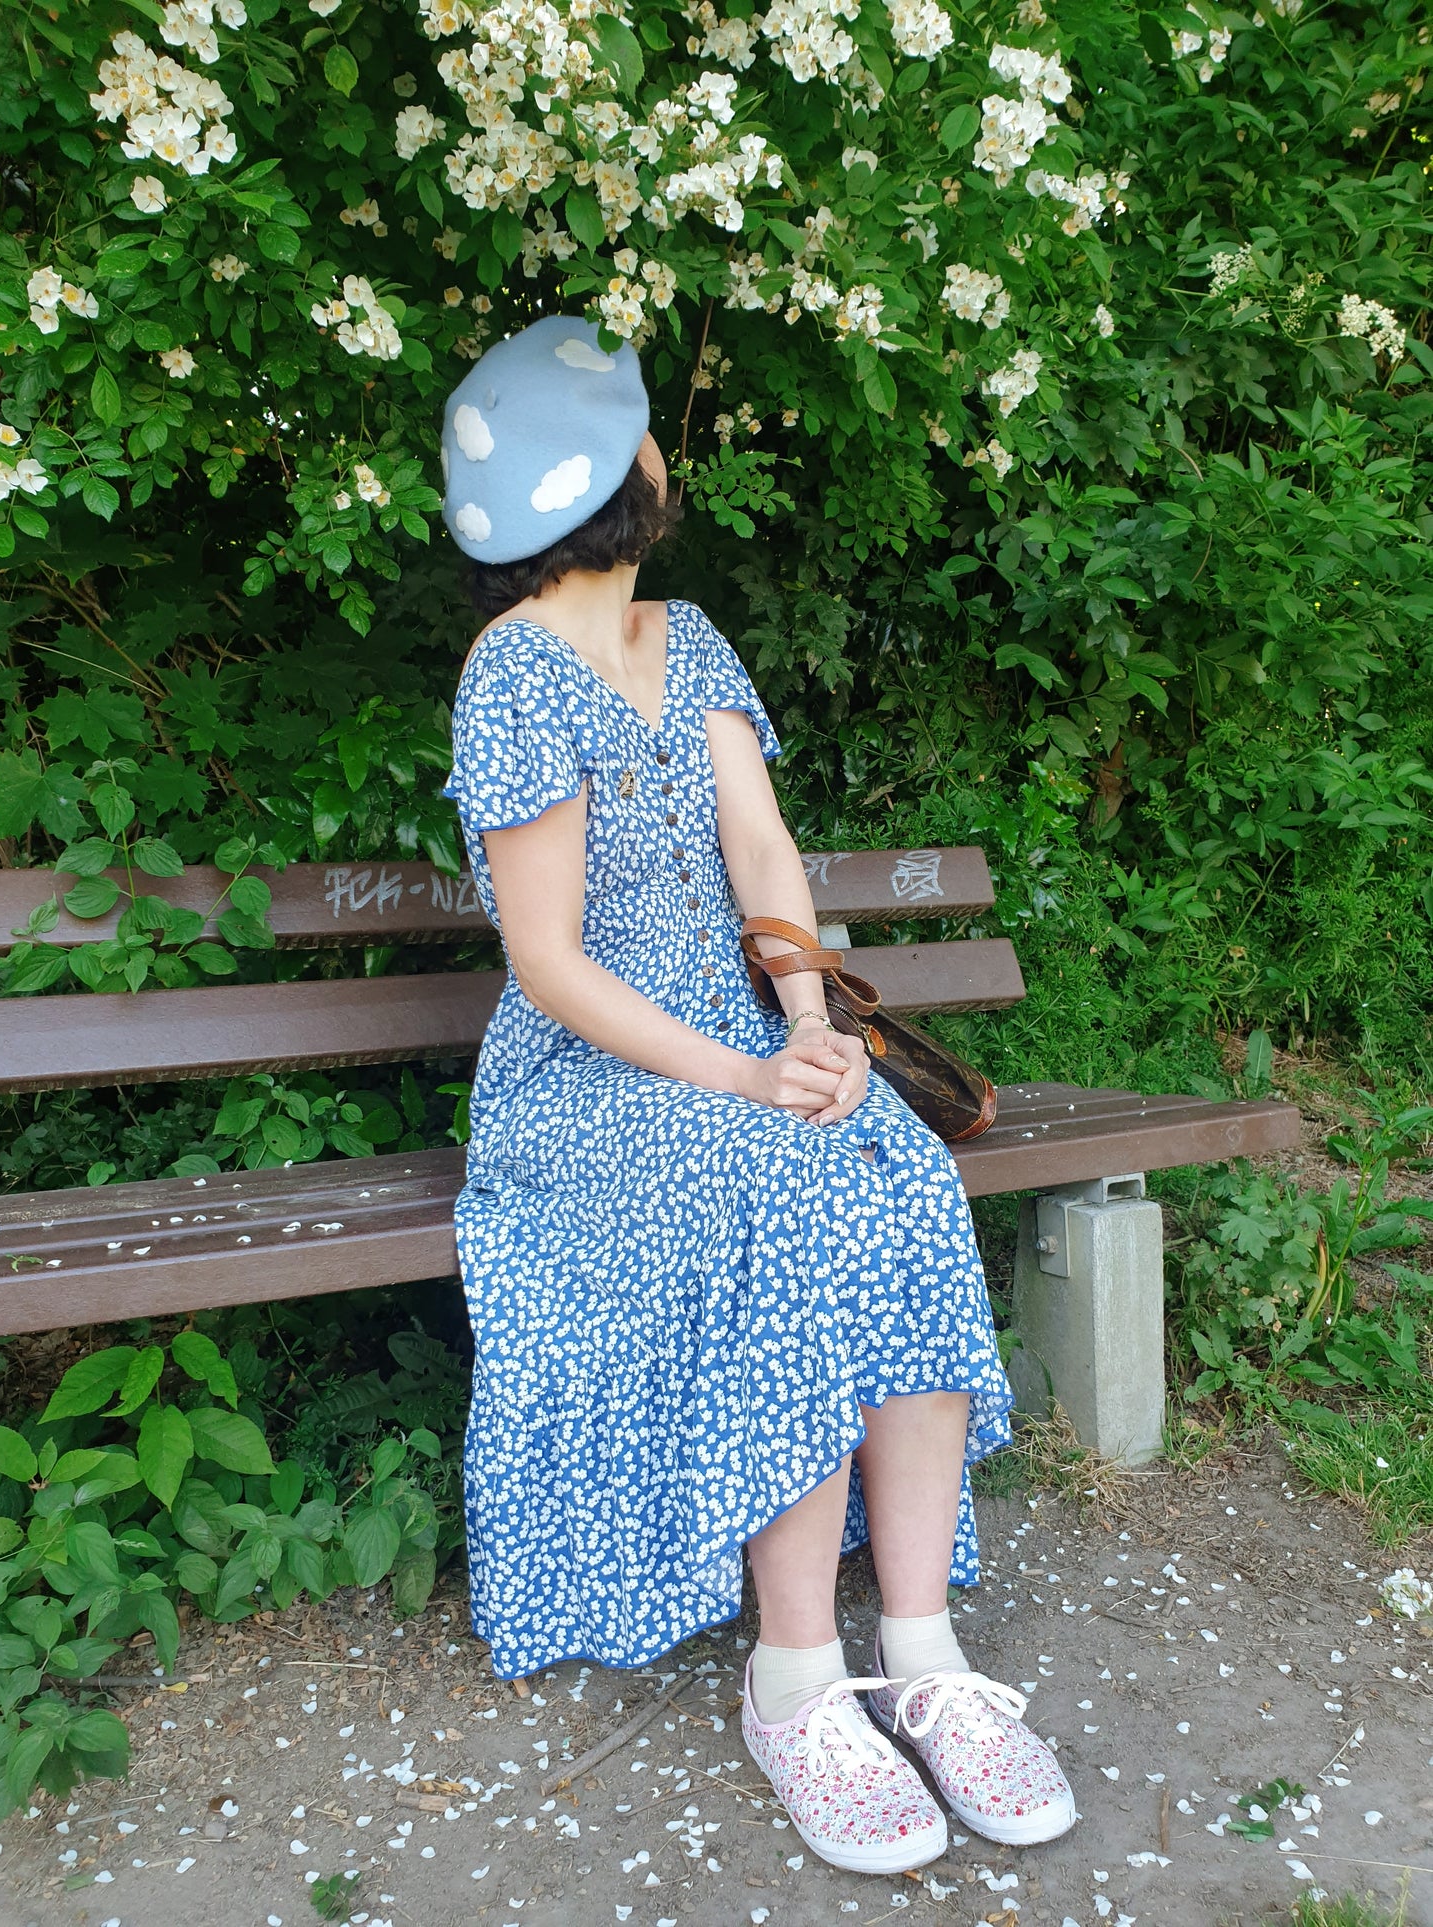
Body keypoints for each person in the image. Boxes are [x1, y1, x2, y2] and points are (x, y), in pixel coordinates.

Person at [436, 314, 1076, 1875]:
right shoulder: (512, 673)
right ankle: (793, 1682)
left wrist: (808, 1020)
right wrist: (738, 1072)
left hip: (737, 1036)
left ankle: (917, 1656)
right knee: (780, 1197)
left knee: (896, 1175)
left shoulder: (691, 639)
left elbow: (762, 856)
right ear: (621, 472)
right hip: (589, 1086)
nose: (667, 455)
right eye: (651, 434)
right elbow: (545, 964)